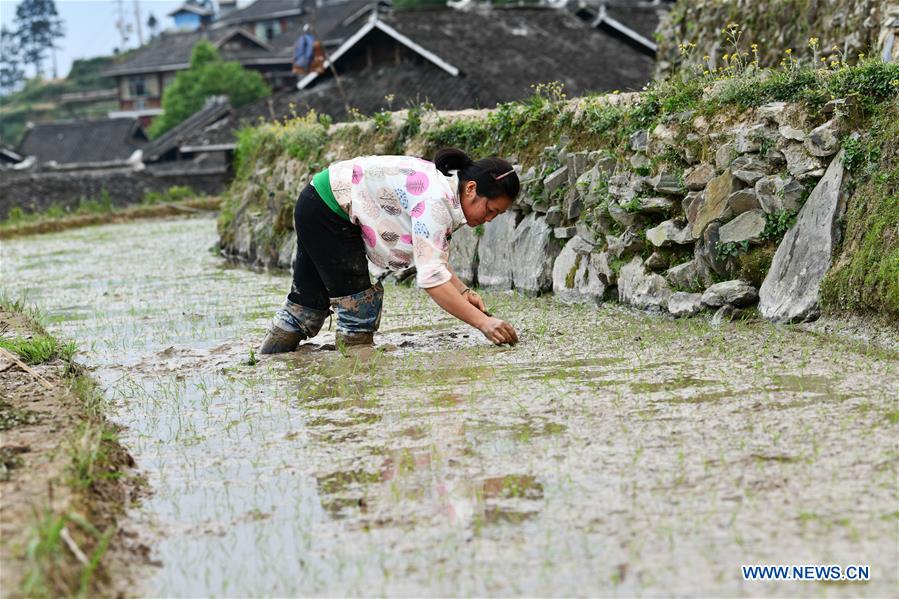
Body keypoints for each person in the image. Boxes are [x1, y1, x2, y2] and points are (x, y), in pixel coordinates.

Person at [259, 147, 521, 353]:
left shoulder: (443, 188)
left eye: (496, 216)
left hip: (317, 201)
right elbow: (431, 280)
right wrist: (483, 323)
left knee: (306, 308)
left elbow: (430, 257)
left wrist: (463, 291)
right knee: (359, 312)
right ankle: (353, 394)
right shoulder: (436, 202)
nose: (488, 220)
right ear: (472, 188)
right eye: (490, 210)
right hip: (330, 211)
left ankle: (266, 364)